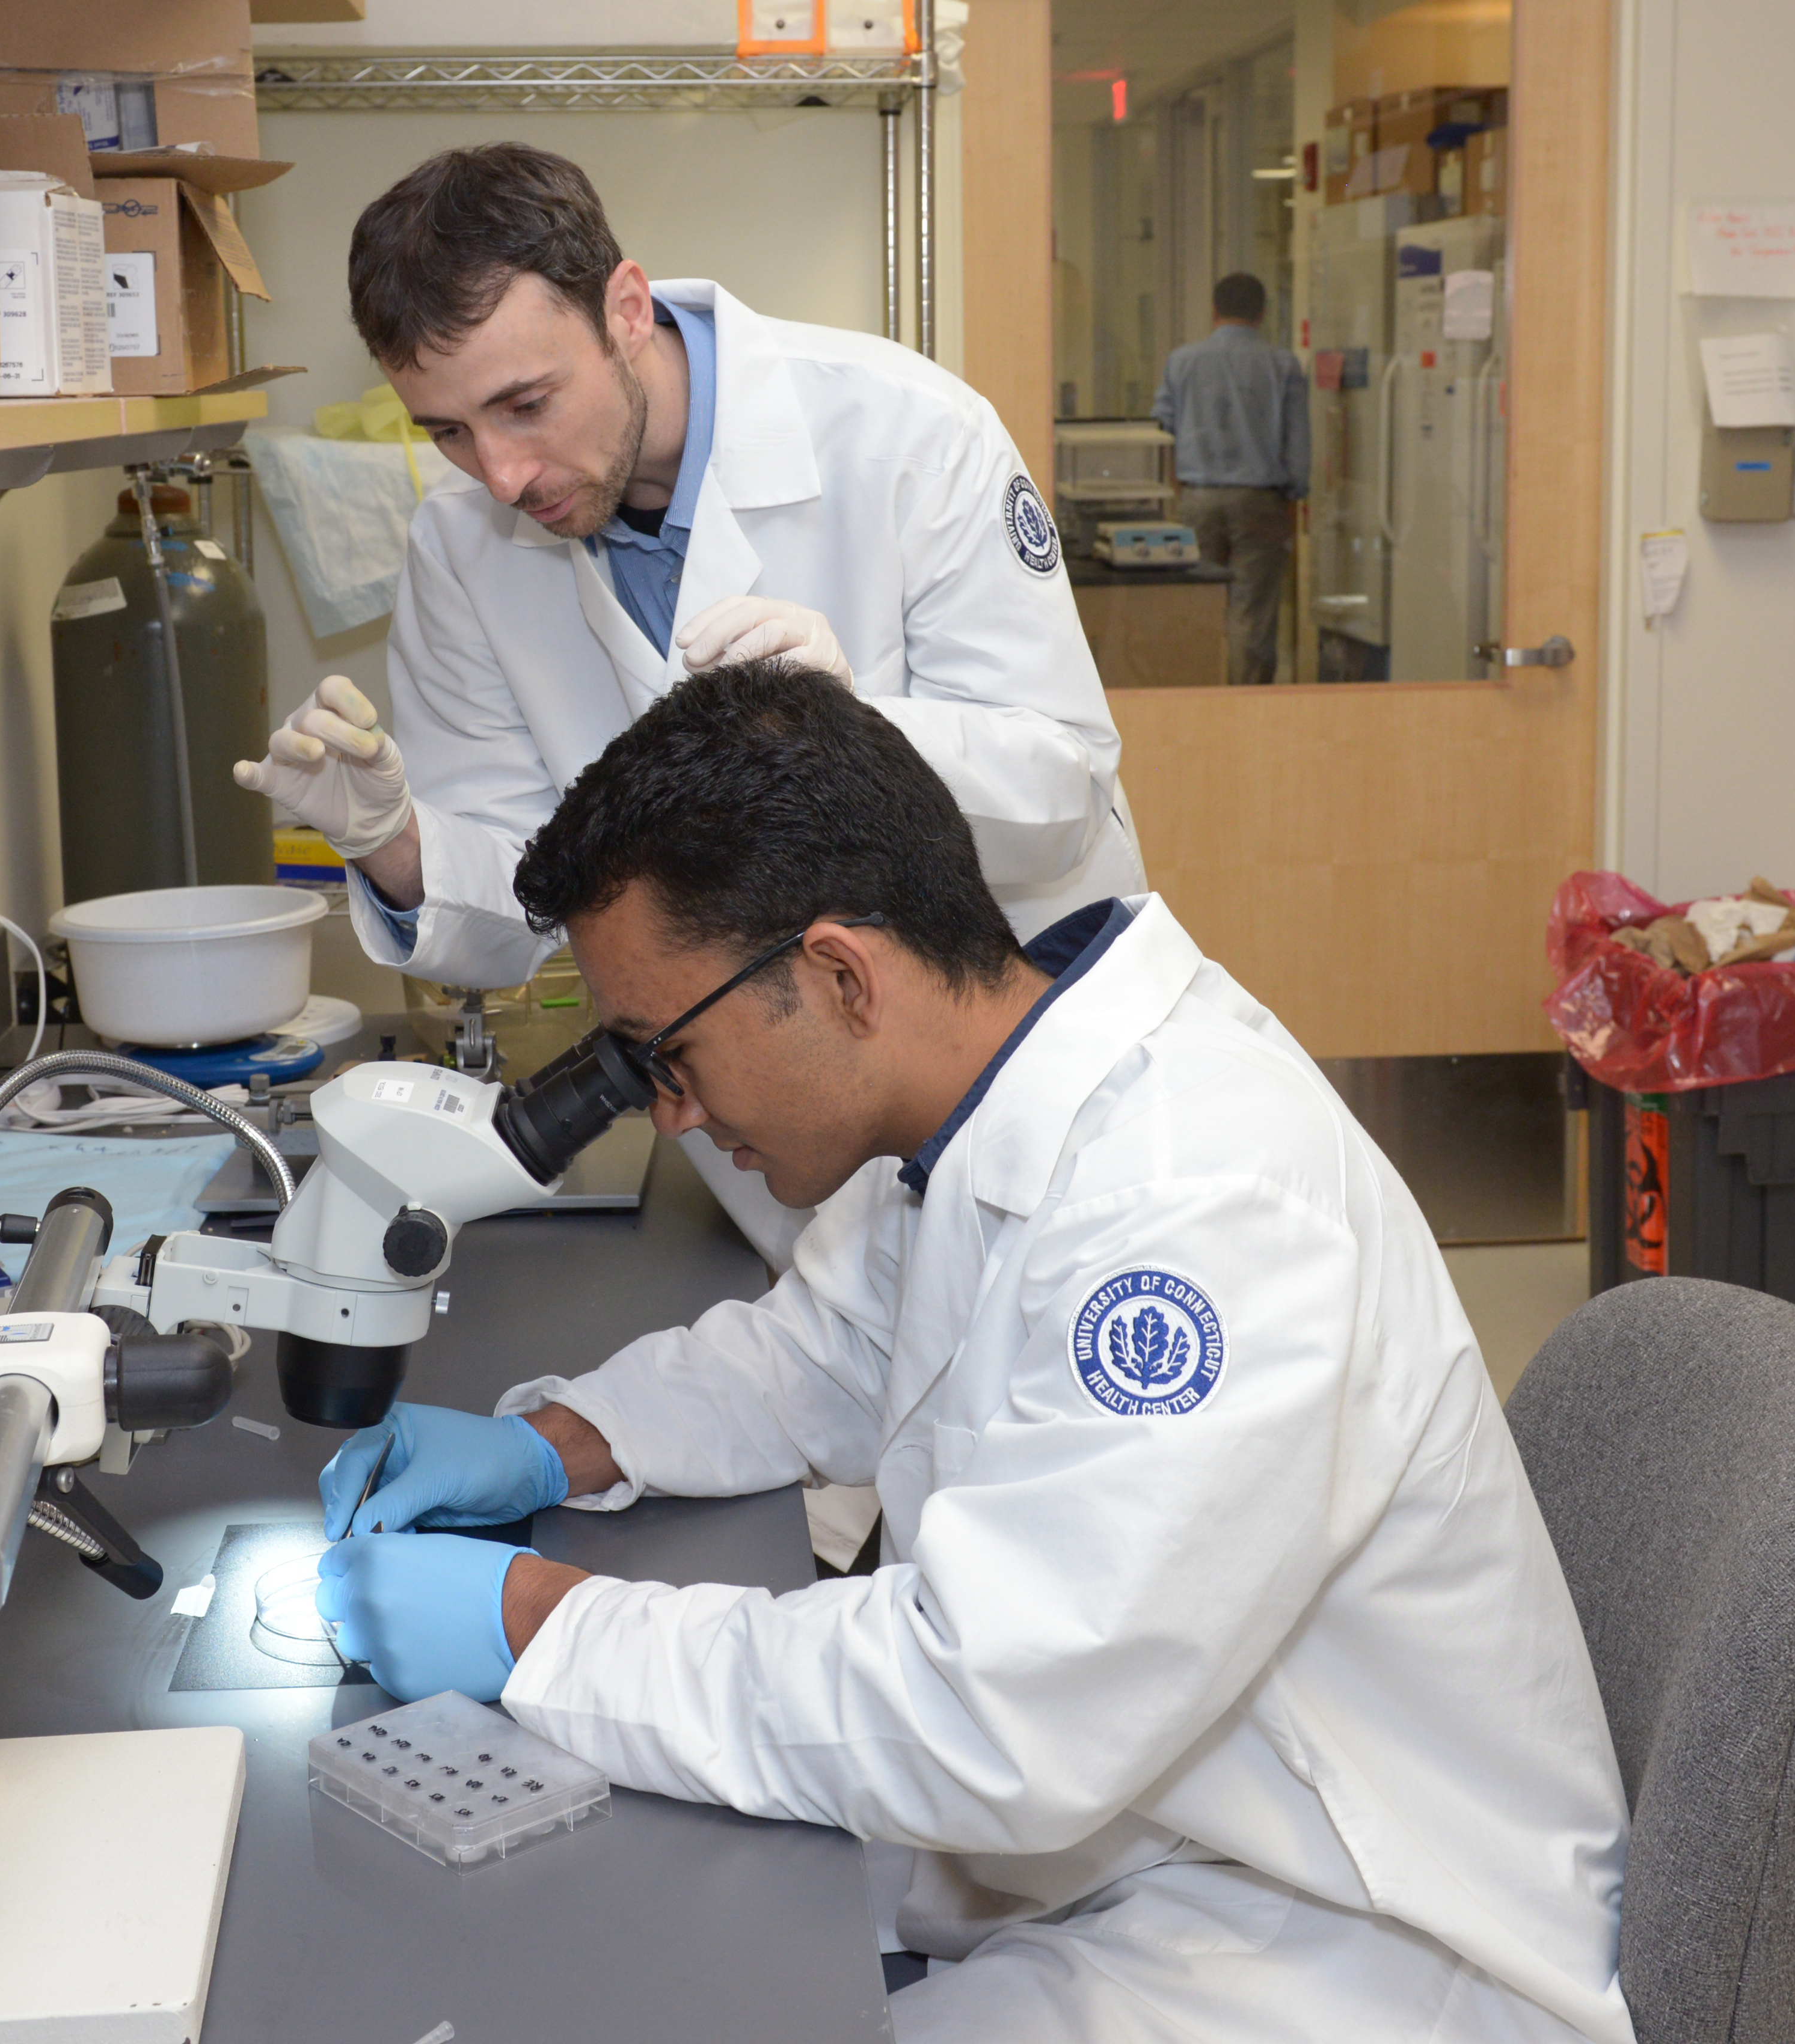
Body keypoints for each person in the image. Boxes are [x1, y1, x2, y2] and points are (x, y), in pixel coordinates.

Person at [310, 663, 1634, 2044]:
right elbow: (813, 1354)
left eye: (671, 1053)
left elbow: (995, 1713)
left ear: (834, 973)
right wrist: (553, 1439)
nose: (677, 1115)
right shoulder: (979, 1100)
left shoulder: (1197, 1208)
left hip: (1342, 1939)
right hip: (1143, 1835)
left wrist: (537, 1620)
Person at [232, 142, 1143, 1269]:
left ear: (624, 307)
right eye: (450, 432)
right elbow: (527, 903)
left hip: (1024, 1098)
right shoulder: (462, 549)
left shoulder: (910, 433)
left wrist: (861, 727)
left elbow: (1061, 787)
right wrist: (396, 846)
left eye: (526, 403)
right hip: (782, 1151)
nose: (502, 474)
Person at [1151, 269, 1310, 684]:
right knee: (1253, 614)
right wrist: (1293, 501)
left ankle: (1196, 695)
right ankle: (1248, 708)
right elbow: (1298, 444)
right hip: (1261, 501)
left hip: (1197, 497)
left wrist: (1177, 493)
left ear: (1214, 310)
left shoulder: (1181, 362)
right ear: (1262, 313)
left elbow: (1162, 433)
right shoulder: (1282, 365)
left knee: (1195, 607)